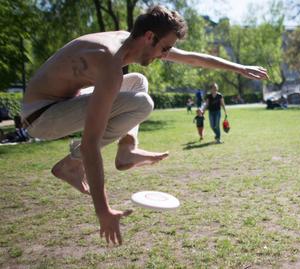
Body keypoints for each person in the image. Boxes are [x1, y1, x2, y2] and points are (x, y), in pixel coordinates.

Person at [21, 5, 268, 245]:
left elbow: (192, 59)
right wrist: (103, 210)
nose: (165, 56)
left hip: (60, 101)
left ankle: (127, 149)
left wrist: (240, 68)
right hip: (42, 117)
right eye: (164, 49)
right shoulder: (108, 62)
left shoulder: (127, 41)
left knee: (138, 81)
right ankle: (71, 166)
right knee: (141, 103)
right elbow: (90, 143)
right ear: (149, 36)